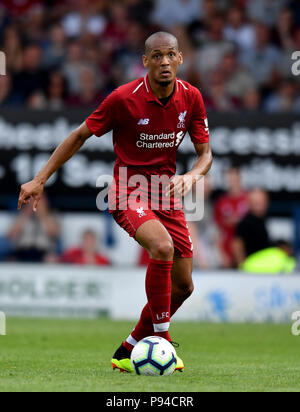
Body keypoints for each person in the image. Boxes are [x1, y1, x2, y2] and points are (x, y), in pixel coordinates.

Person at [17, 31, 212, 373]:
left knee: (184, 286)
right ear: (146, 62)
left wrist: (192, 176)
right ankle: (162, 342)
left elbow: (205, 154)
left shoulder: (192, 97)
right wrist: (39, 179)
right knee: (162, 248)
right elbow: (79, 134)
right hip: (127, 190)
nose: (164, 62)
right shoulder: (124, 98)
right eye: (157, 56)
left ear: (180, 58)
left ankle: (130, 347)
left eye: (170, 55)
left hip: (167, 194)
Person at [214, 167, 249, 268]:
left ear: (240, 179)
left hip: (245, 249)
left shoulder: (247, 199)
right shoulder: (221, 202)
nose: (232, 183)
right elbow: (218, 231)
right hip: (227, 249)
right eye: (229, 180)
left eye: (234, 179)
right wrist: (222, 253)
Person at [232, 189, 270, 267]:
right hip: (251, 268)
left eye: (262, 202)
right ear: (250, 203)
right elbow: (236, 244)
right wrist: (242, 266)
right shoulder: (245, 222)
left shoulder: (263, 220)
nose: (260, 205)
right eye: (257, 203)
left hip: (264, 265)